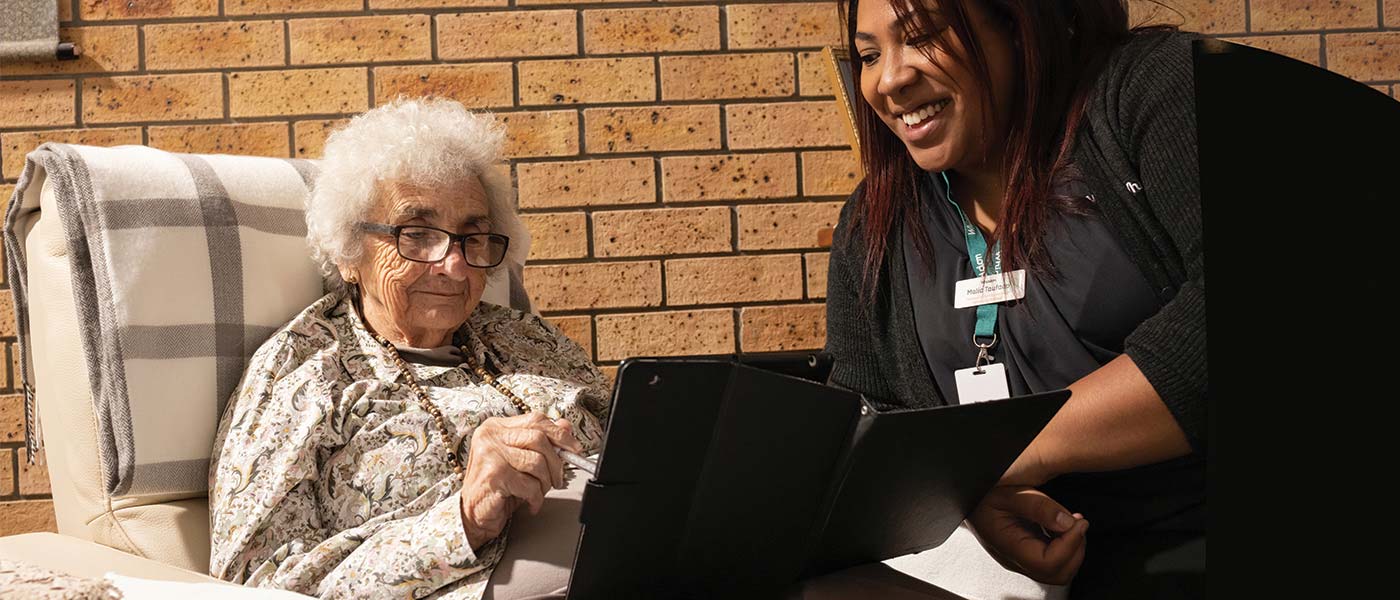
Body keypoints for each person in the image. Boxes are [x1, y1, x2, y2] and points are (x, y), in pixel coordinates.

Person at [826, 0, 1206, 597]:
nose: (890, 79)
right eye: (869, 55)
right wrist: (971, 499)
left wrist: (999, 459)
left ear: (1017, 22)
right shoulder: (871, 222)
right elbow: (868, 424)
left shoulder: (1152, 88)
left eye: (922, 37)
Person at [208, 98, 608, 600]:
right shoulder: (302, 373)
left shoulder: (528, 338)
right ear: (349, 250)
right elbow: (254, 585)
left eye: (473, 237)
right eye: (416, 235)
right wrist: (463, 517)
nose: (455, 266)